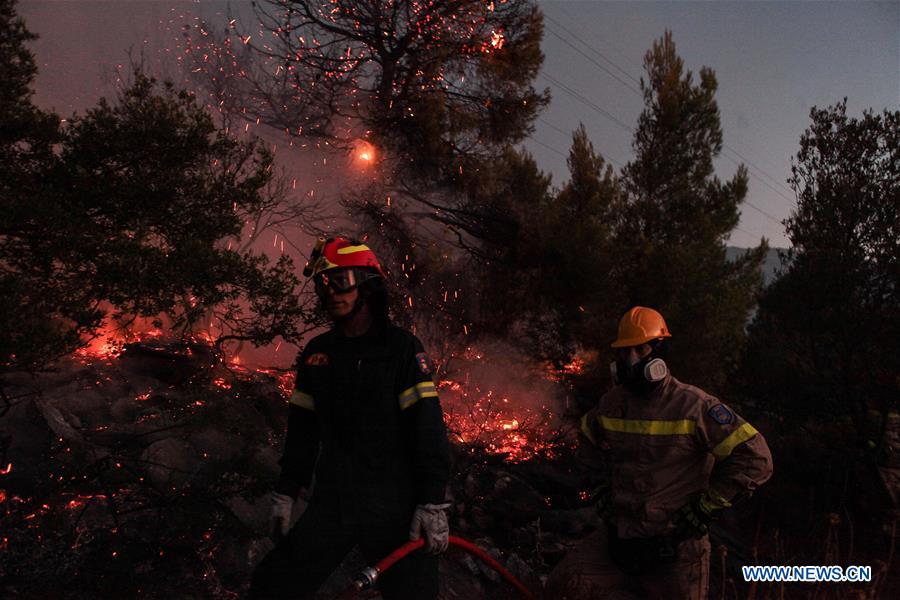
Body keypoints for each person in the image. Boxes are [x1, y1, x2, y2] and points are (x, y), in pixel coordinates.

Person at [250, 237, 451, 599]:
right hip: (335, 503)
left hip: (396, 508)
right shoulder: (318, 354)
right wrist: (286, 491)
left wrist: (432, 501)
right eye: (322, 284)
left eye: (340, 281)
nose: (329, 292)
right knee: (272, 587)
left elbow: (427, 428)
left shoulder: (401, 349)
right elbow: (302, 433)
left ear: (368, 285)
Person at [548, 306, 773, 599]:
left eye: (639, 350)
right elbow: (587, 435)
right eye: (624, 351)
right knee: (561, 585)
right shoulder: (613, 403)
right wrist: (600, 487)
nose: (630, 360)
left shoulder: (693, 406)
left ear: (659, 353)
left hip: (676, 546)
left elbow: (756, 458)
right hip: (621, 536)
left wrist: (706, 508)